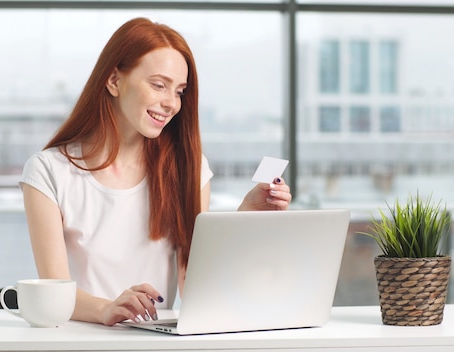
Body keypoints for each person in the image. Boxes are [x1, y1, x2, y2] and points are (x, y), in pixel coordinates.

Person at [19, 17, 292, 327]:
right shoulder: (48, 171)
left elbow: (194, 287)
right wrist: (108, 308)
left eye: (179, 91)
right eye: (158, 85)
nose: (171, 103)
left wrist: (245, 219)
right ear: (113, 80)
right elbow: (55, 293)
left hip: (159, 340)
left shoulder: (189, 167)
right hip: (80, 338)